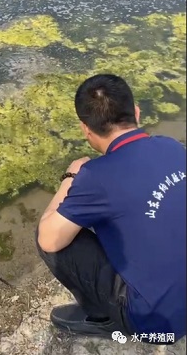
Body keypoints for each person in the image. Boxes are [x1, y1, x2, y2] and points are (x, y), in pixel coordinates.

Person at [37, 74, 186, 343]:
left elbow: (49, 239)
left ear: (85, 129)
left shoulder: (95, 176)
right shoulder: (172, 147)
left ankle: (104, 318)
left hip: (157, 323)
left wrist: (70, 179)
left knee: (53, 233)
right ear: (137, 112)